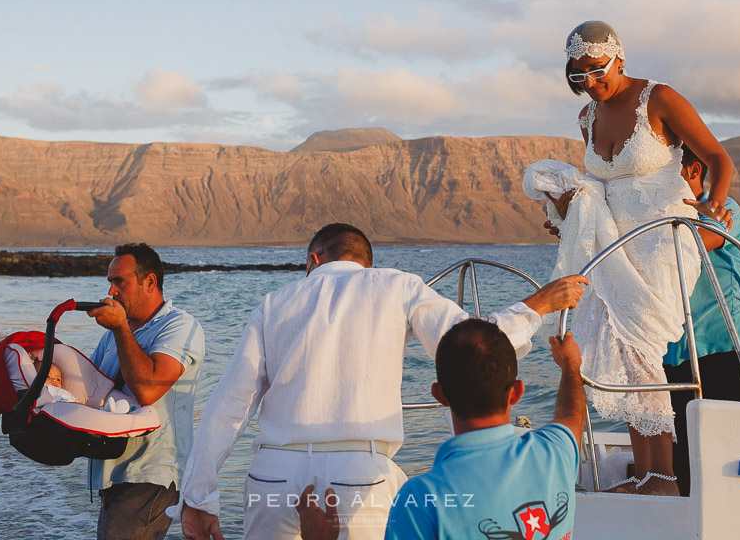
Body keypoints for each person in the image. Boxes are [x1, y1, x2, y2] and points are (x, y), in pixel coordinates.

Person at [177, 223, 589, 540]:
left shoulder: (273, 304)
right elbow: (470, 346)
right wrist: (536, 305)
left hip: (274, 476)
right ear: (366, 264)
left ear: (314, 261)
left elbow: (229, 404)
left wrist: (198, 495)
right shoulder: (398, 285)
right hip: (359, 474)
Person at [543, 20, 734, 496]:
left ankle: (663, 477)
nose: (588, 81)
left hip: (661, 235)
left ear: (618, 59)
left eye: (595, 69)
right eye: (577, 75)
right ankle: (648, 473)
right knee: (620, 349)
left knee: (642, 349)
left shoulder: (659, 97)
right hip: (613, 242)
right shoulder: (587, 118)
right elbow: (601, 186)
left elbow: (717, 156)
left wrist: (714, 202)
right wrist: (568, 216)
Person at [382, 320, 584, 540]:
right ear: (516, 393)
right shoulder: (555, 453)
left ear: (439, 395)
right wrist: (570, 365)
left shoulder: (420, 499)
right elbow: (572, 416)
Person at [86, 243, 205, 540]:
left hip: (151, 475)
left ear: (149, 282)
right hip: (116, 474)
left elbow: (147, 390)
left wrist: (119, 329)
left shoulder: (180, 326)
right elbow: (89, 388)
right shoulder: (116, 333)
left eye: (120, 282)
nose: (111, 291)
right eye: (110, 282)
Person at [662, 146, 740, 496]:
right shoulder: (662, 217)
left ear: (693, 170)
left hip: (724, 345)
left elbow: (703, 240)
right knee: (681, 460)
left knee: (729, 454)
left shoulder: (725, 210)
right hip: (673, 353)